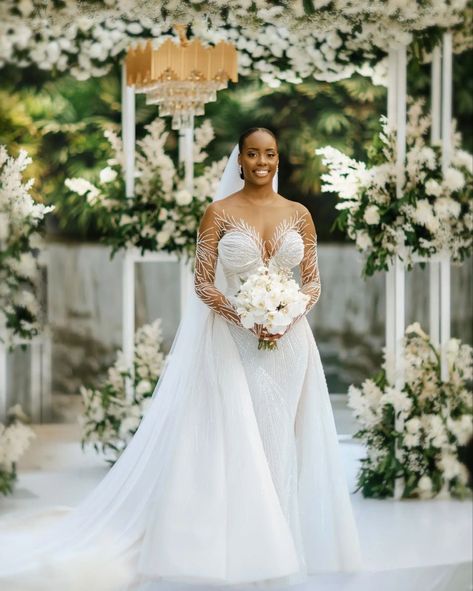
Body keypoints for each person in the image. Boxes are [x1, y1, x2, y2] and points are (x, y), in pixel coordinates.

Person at [0, 127, 363, 591]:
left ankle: (283, 540)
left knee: (281, 437)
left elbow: (312, 282)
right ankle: (253, 545)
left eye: (269, 154)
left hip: (290, 345)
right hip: (234, 339)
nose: (262, 162)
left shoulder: (300, 214)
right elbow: (204, 282)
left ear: (278, 159)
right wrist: (246, 315)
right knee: (244, 437)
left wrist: (287, 314)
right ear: (240, 160)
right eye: (253, 153)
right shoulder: (218, 213)